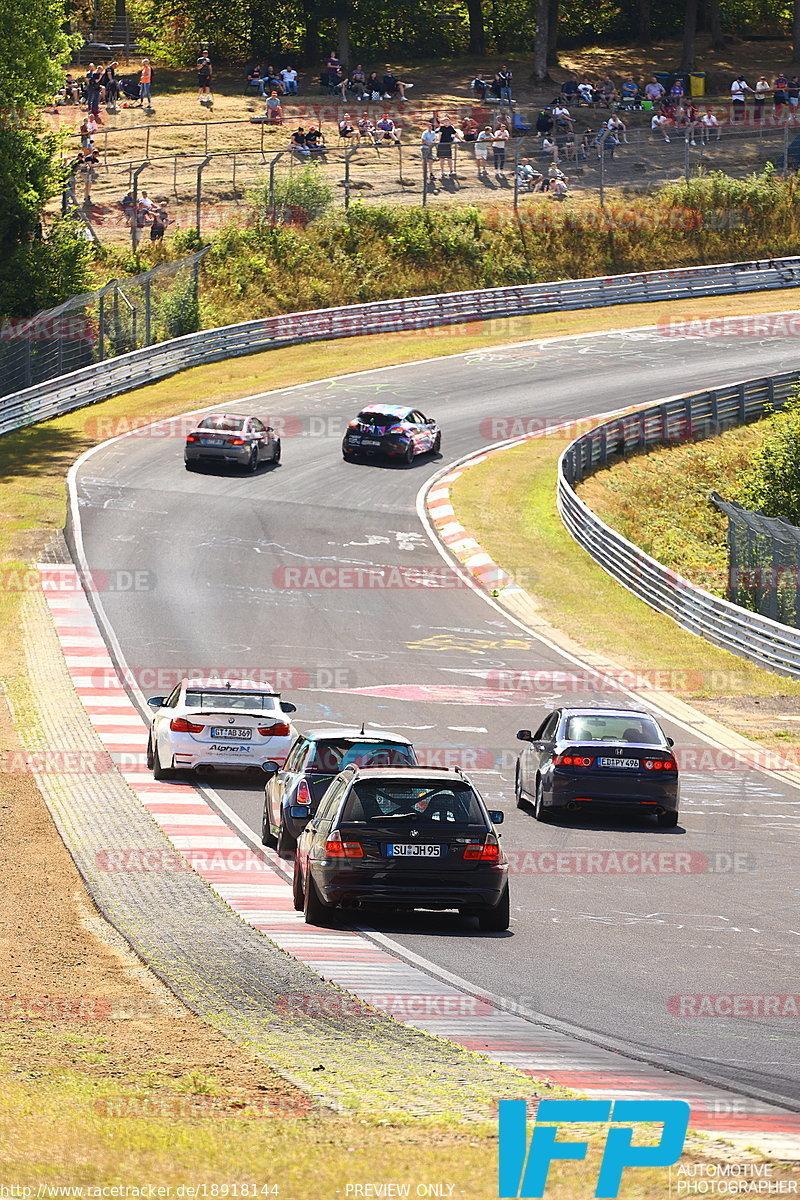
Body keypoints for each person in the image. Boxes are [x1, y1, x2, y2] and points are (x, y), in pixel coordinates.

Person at [436, 114, 461, 179]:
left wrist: (460, 140)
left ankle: (451, 170)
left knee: (449, 158)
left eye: (447, 121)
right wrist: (439, 142)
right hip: (442, 144)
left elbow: (455, 134)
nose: (446, 122)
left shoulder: (451, 128)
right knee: (442, 158)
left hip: (448, 144)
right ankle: (442, 171)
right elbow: (439, 135)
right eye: (445, 121)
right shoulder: (441, 128)